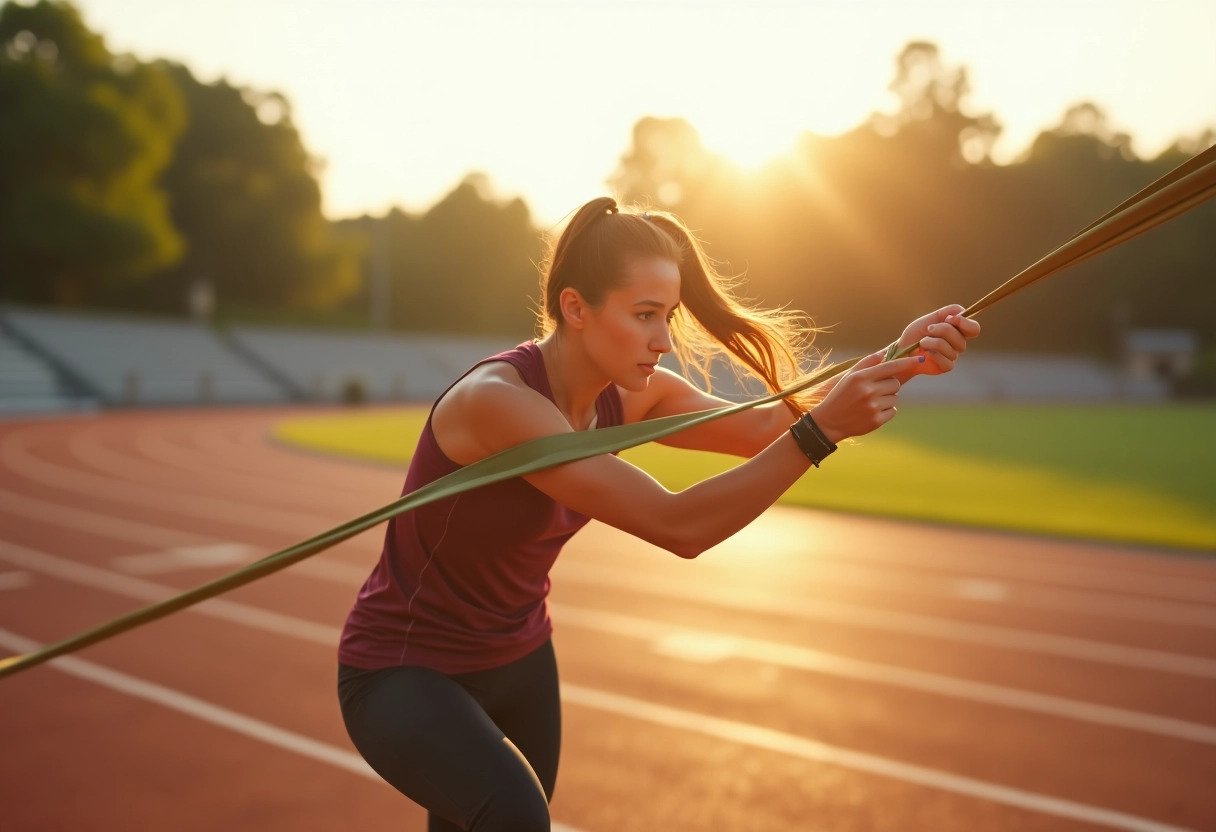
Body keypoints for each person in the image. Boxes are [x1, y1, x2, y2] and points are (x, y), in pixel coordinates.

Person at [337, 196, 981, 831]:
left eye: (668, 315)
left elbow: (765, 426)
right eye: (646, 315)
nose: (665, 341)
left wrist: (901, 359)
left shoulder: (628, 394)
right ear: (575, 308)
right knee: (513, 816)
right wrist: (821, 435)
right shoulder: (497, 403)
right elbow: (680, 525)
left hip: (519, 656)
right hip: (406, 667)